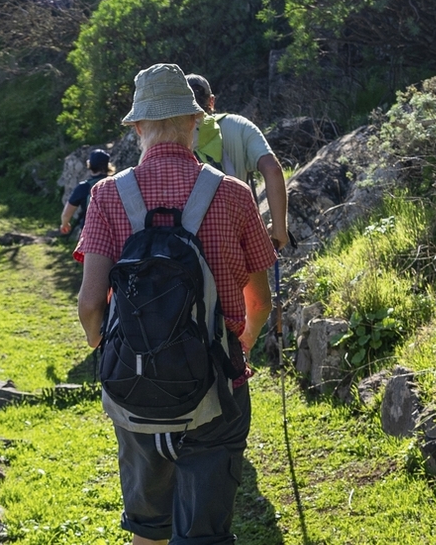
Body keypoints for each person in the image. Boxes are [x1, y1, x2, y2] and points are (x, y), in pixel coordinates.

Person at [75, 64, 276, 545]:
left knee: (146, 529)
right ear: (194, 122)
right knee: (203, 535)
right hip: (217, 390)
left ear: (138, 127)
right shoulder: (233, 194)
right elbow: (260, 301)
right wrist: (238, 347)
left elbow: (88, 304)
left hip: (135, 391)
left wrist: (115, 357)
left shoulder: (106, 195)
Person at [184, 74, 290, 250]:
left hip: (191, 248)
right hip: (237, 241)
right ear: (211, 102)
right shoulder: (239, 125)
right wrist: (279, 230)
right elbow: (273, 170)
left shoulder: (171, 137)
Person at [60, 149, 113, 238]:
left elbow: (66, 214)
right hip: (115, 232)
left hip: (91, 233)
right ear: (108, 165)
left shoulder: (83, 187)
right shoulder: (117, 183)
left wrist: (65, 225)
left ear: (89, 165)